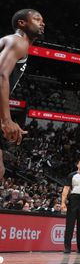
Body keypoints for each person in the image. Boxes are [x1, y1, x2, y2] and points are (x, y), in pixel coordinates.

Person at [0, 9, 44, 179]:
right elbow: (1, 74)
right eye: (37, 19)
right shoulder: (18, 42)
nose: (42, 23)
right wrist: (6, 119)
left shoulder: (12, 42)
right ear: (22, 23)